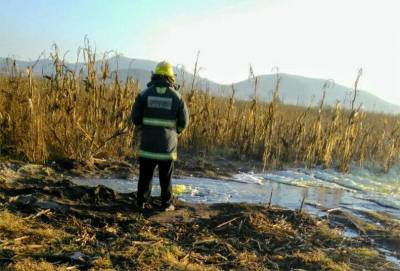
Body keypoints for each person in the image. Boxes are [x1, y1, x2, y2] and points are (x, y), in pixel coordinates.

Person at [131, 61, 189, 211]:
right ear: (171, 77)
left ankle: (141, 202)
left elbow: (135, 118)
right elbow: (184, 122)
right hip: (167, 147)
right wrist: (176, 132)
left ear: (155, 75)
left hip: (147, 145)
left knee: (145, 176)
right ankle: (166, 204)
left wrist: (145, 125)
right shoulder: (177, 97)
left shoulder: (144, 94)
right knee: (166, 177)